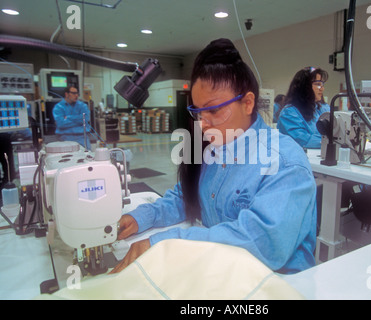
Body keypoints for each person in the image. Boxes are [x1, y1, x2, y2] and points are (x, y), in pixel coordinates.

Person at [111, 38, 317, 275]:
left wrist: (167, 244)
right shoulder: (215, 149)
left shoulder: (283, 162)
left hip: (275, 285)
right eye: (198, 112)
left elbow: (261, 244)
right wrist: (143, 217)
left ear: (248, 103)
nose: (202, 123)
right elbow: (185, 196)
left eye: (214, 110)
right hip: (221, 274)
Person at [277, 67, 330, 149]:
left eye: (322, 84)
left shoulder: (322, 108)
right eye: (318, 84)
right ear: (304, 87)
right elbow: (303, 140)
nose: (322, 89)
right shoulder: (289, 112)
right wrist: (331, 142)